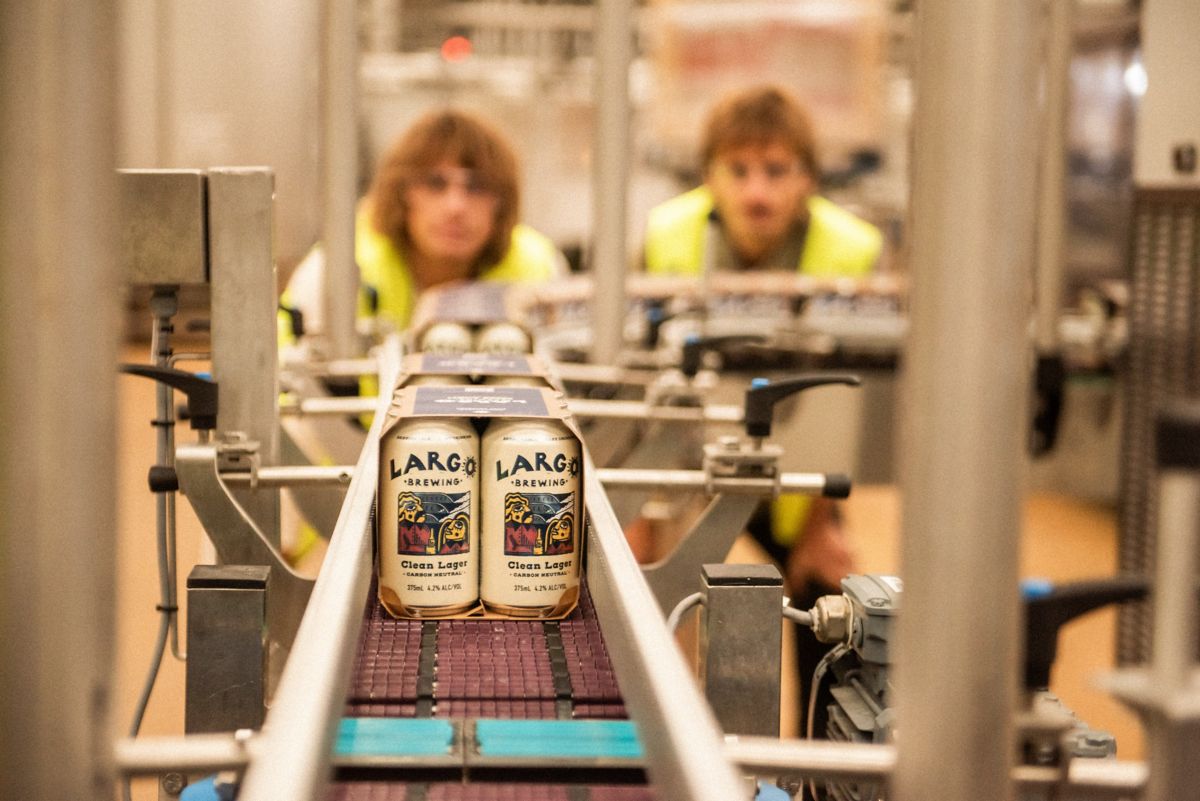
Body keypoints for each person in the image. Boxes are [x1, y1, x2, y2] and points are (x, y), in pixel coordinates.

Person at [641, 84, 883, 742]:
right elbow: (640, 377)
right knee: (648, 604)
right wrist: (642, 506)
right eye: (738, 171)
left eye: (777, 172)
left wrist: (823, 518)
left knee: (833, 602)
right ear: (708, 176)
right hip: (686, 456)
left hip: (804, 459)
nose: (757, 193)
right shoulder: (666, 236)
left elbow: (845, 392)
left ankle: (818, 767)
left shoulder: (852, 247)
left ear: (808, 177)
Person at [279, 108, 566, 346]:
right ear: (402, 193)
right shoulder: (336, 273)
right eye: (435, 183)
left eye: (477, 187)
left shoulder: (539, 268)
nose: (456, 207)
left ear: (502, 202)